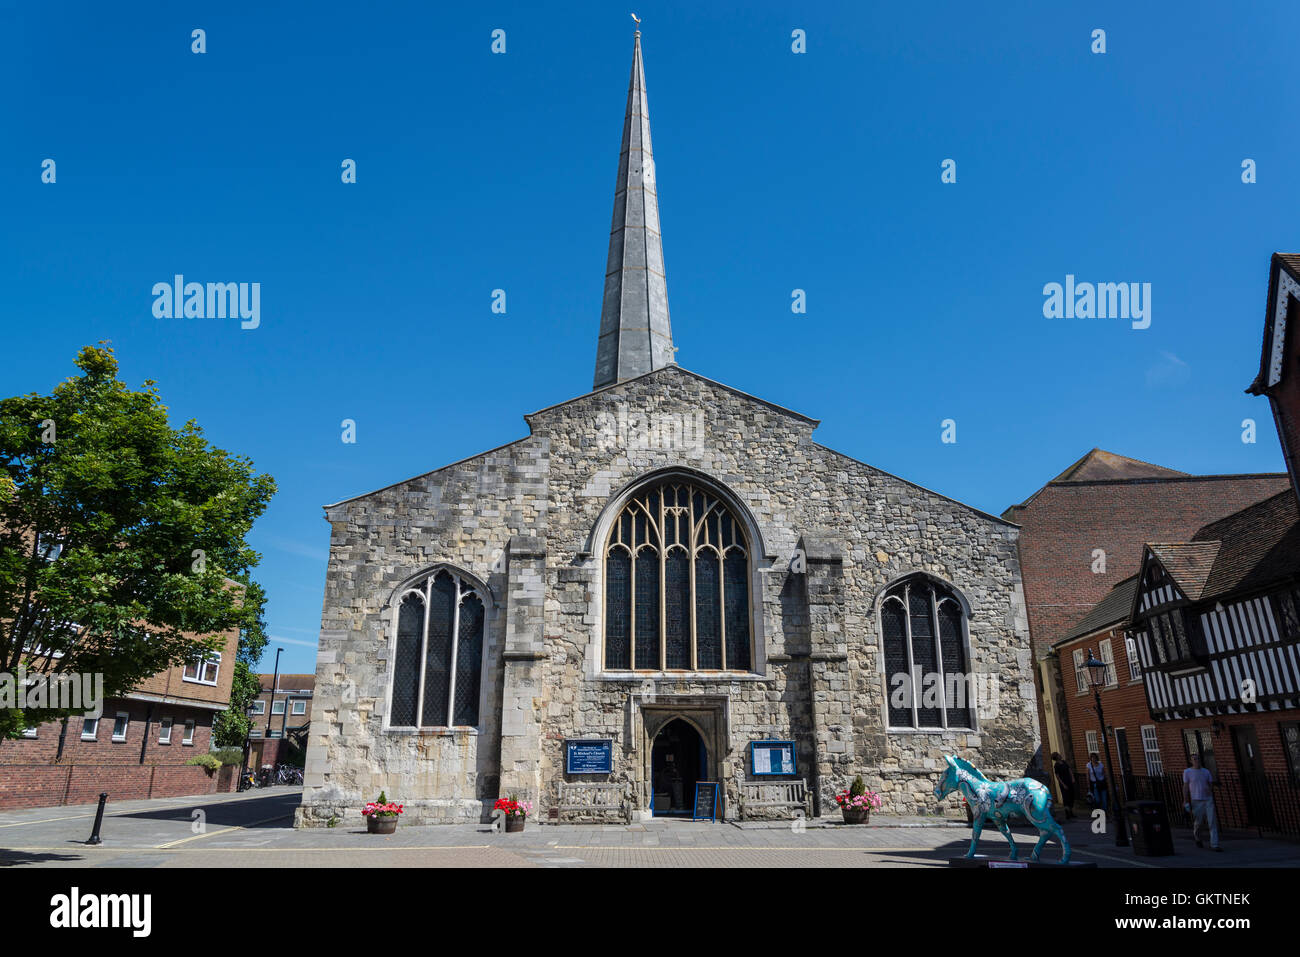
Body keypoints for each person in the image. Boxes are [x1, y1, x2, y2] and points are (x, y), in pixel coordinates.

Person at [1183, 753, 1222, 851]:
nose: (1196, 761)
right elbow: (1186, 786)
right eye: (1194, 759)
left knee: (1212, 822)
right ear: (1191, 761)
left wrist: (1210, 789)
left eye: (1198, 759)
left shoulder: (1206, 771)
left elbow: (1210, 783)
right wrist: (1185, 800)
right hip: (1196, 800)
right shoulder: (1187, 772)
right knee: (1198, 822)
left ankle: (1215, 844)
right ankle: (1197, 838)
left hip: (1208, 799)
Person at [1051, 752, 1076, 819]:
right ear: (1056, 757)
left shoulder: (1064, 762)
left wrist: (1072, 778)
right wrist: (1063, 784)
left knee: (1071, 796)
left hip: (1069, 781)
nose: (1060, 755)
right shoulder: (1056, 765)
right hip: (1063, 783)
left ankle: (1071, 811)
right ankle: (1067, 813)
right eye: (1058, 755)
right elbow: (1057, 776)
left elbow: (1069, 770)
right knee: (1066, 798)